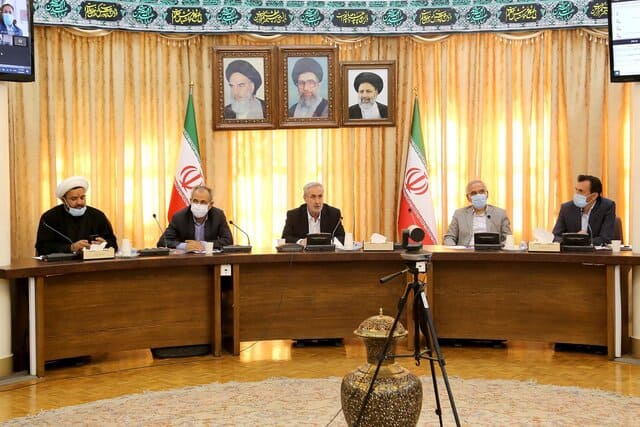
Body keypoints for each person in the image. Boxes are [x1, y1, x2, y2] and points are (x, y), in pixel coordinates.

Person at [35, 176, 118, 255]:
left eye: (82, 197)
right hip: (62, 264)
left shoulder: (97, 216)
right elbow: (42, 247)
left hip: (93, 263)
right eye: (74, 199)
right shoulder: (50, 217)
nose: (79, 202)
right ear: (63, 200)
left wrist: (105, 243)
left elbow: (114, 244)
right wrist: (71, 248)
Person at [159, 185, 233, 251]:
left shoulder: (218, 216)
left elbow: (228, 240)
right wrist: (185, 246)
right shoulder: (179, 217)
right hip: (187, 259)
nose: (198, 205)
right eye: (195, 201)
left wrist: (203, 245)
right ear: (190, 201)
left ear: (210, 205)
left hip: (210, 259)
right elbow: (162, 242)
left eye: (203, 202)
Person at [552, 174, 616, 246]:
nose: (576, 194)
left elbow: (605, 239)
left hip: (596, 252)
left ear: (594, 196)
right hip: (572, 252)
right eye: (576, 190)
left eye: (580, 191)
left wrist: (584, 240)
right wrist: (575, 239)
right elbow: (555, 237)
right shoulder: (566, 208)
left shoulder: (607, 206)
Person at [444, 179, 512, 246]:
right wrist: (454, 250)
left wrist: (499, 249)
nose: (478, 195)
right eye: (474, 193)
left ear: (487, 194)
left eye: (481, 192)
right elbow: (449, 237)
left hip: (491, 251)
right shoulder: (459, 214)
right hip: (466, 252)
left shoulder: (500, 213)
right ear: (468, 197)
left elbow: (508, 239)